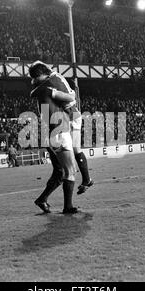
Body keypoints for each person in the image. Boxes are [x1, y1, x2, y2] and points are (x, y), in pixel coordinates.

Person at [29, 61, 93, 195]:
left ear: (41, 74)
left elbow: (71, 98)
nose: (34, 81)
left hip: (71, 115)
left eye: (35, 77)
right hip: (71, 115)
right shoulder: (54, 77)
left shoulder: (52, 81)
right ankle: (86, 179)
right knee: (74, 150)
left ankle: (86, 179)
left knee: (75, 150)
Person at [29, 61, 79, 214]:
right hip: (59, 132)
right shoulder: (47, 89)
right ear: (41, 75)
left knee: (60, 172)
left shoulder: (39, 91)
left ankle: (42, 200)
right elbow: (71, 98)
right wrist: (71, 92)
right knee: (71, 171)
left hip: (51, 134)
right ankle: (68, 207)